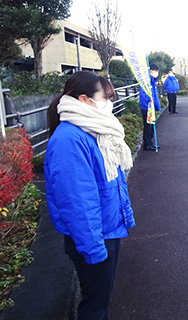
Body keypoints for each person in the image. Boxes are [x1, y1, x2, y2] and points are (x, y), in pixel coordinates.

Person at [44, 71, 135, 320]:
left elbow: (112, 182)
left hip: (107, 229)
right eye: (105, 97)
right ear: (84, 99)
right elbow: (77, 203)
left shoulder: (95, 130)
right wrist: (94, 249)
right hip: (94, 237)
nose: (110, 102)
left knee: (100, 303)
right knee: (95, 308)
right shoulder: (70, 139)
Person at [139, 64, 161, 151]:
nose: (156, 73)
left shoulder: (152, 80)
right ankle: (147, 144)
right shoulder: (146, 80)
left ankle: (149, 143)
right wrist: (149, 101)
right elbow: (144, 94)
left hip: (151, 106)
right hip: (147, 106)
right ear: (150, 71)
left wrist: (156, 106)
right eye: (155, 71)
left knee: (151, 125)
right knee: (148, 125)